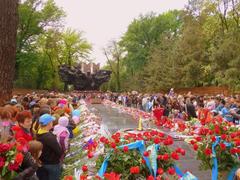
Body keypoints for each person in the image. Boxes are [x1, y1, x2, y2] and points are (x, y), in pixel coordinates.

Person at [36, 114, 63, 180]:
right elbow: (59, 151)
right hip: (53, 163)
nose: (52, 123)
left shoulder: (39, 133)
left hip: (44, 162)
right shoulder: (49, 137)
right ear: (49, 123)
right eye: (51, 121)